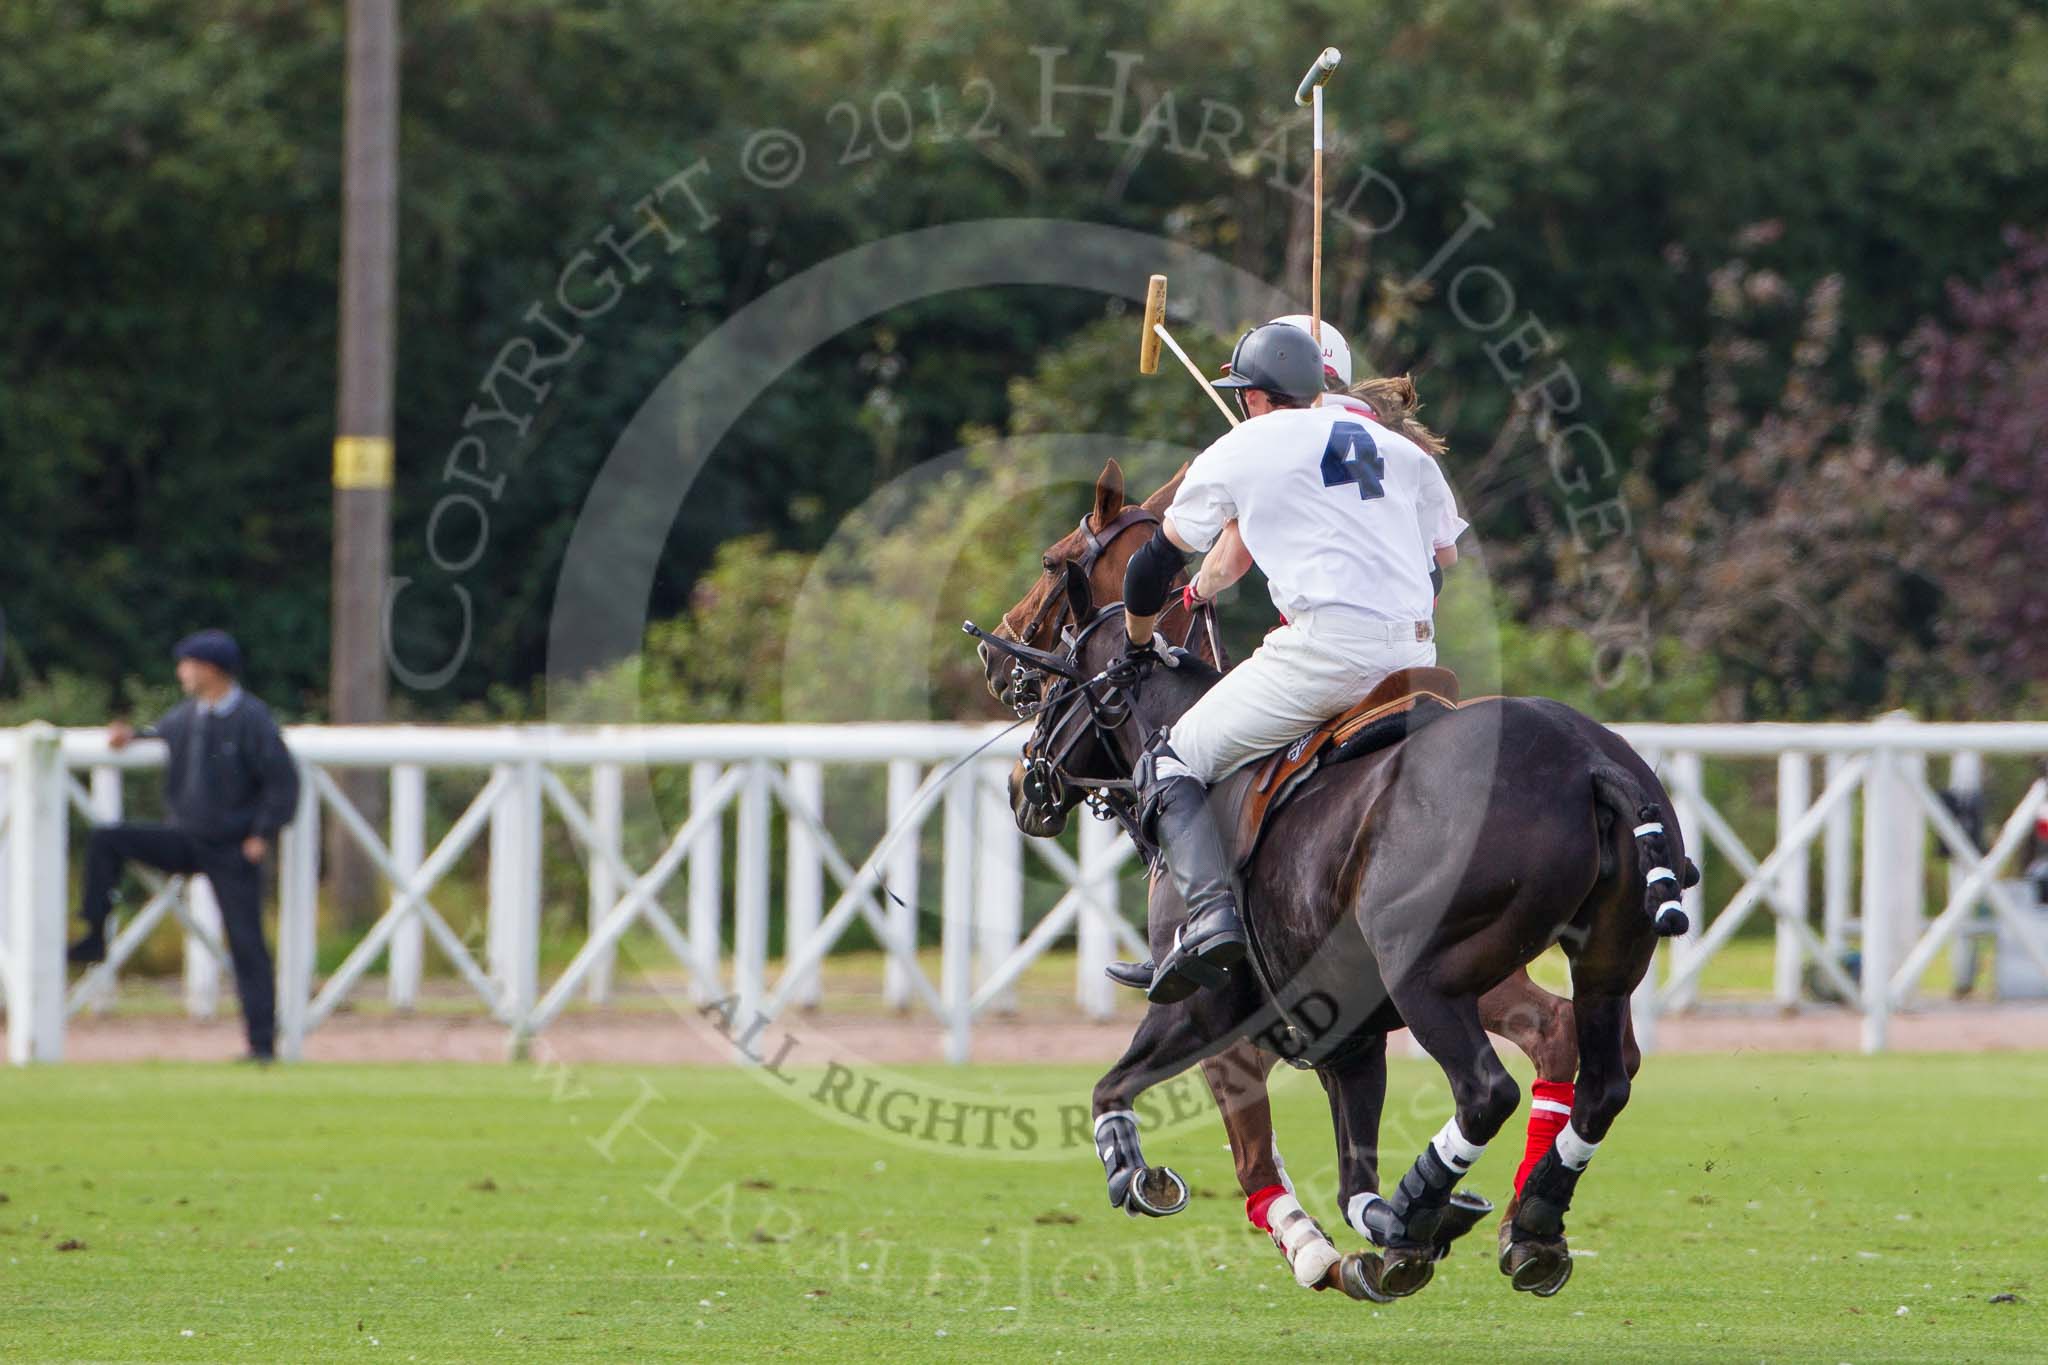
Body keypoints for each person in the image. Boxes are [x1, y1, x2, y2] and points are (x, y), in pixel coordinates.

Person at [1119, 321, 1466, 1003]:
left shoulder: (1243, 445)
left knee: (1169, 761)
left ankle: (1211, 919)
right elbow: (1442, 561)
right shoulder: (1399, 448)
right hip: (1417, 653)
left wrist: (1136, 637)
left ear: (1251, 396)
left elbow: (1155, 561)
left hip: (1328, 652)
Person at [71, 629, 299, 1062]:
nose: (181, 673)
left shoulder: (252, 719)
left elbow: (283, 783)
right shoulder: (187, 716)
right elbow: (158, 734)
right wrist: (130, 736)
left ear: (210, 670)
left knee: (247, 943)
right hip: (186, 838)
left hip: (233, 847)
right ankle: (94, 932)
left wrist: (261, 833)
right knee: (107, 838)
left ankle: (262, 1043)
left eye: (187, 664)